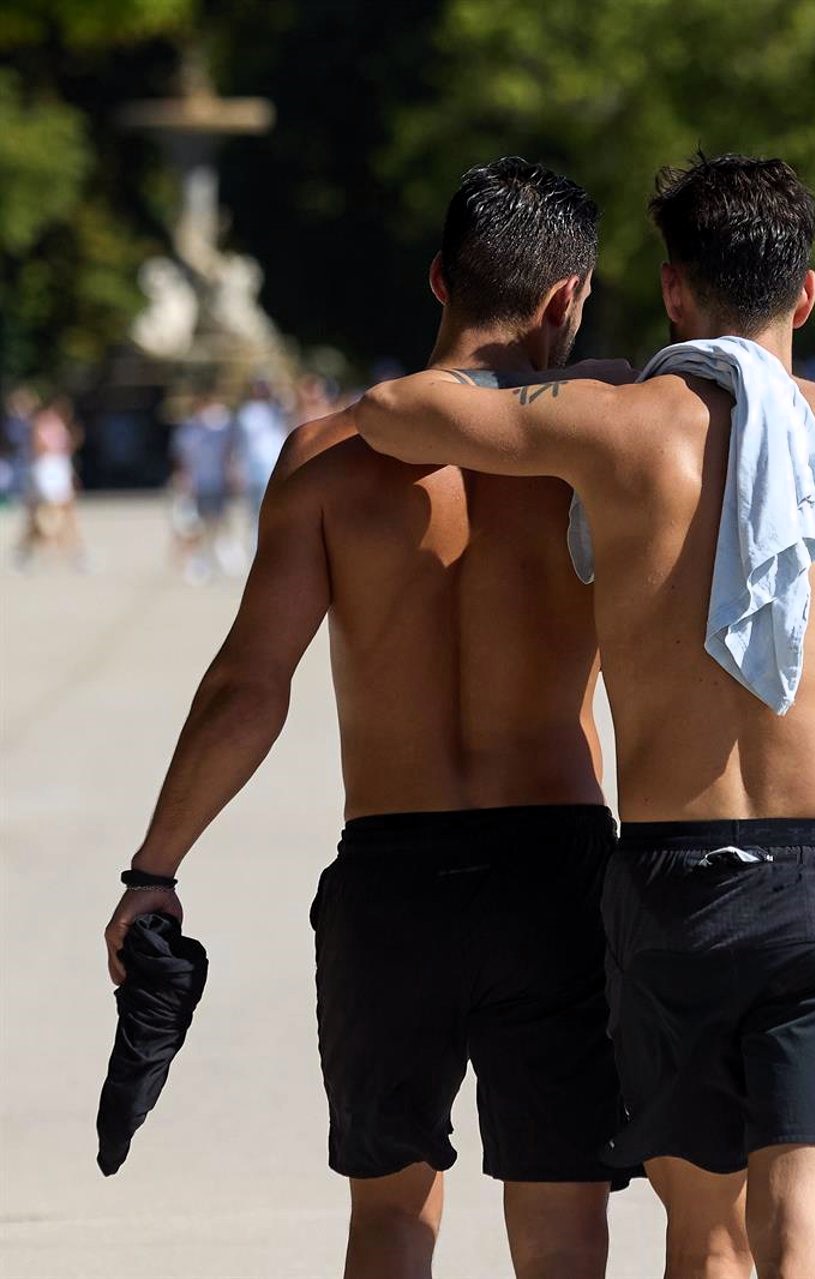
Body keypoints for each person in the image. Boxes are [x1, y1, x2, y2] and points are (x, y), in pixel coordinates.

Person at [357, 153, 815, 1279]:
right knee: (806, 1228)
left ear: (675, 291)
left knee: (704, 1239)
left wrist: (602, 379)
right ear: (804, 294)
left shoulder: (612, 428)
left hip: (676, 882)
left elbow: (390, 412)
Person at [103, 157, 623, 1279]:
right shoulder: (602, 456)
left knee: (390, 1216)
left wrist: (156, 866)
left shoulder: (331, 457)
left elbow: (250, 684)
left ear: (440, 280)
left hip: (395, 873)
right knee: (565, 1222)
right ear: (568, 298)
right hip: (557, 867)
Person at [170, 394, 240, 583]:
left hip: (216, 481)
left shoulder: (219, 429)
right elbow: (180, 460)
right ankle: (195, 560)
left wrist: (231, 473)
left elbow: (228, 450)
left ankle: (215, 554)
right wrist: (183, 481)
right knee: (194, 526)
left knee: (217, 521)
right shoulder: (187, 432)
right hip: (196, 485)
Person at [13, 397, 88, 571]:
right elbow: (37, 449)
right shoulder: (42, 424)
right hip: (46, 470)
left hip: (57, 469)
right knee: (44, 515)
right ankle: (37, 549)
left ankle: (72, 550)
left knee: (65, 512)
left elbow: (66, 450)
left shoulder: (60, 426)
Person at [235, 377, 292, 552]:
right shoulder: (246, 413)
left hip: (273, 466)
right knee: (254, 510)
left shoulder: (277, 410)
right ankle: (255, 546)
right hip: (253, 468)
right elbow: (241, 443)